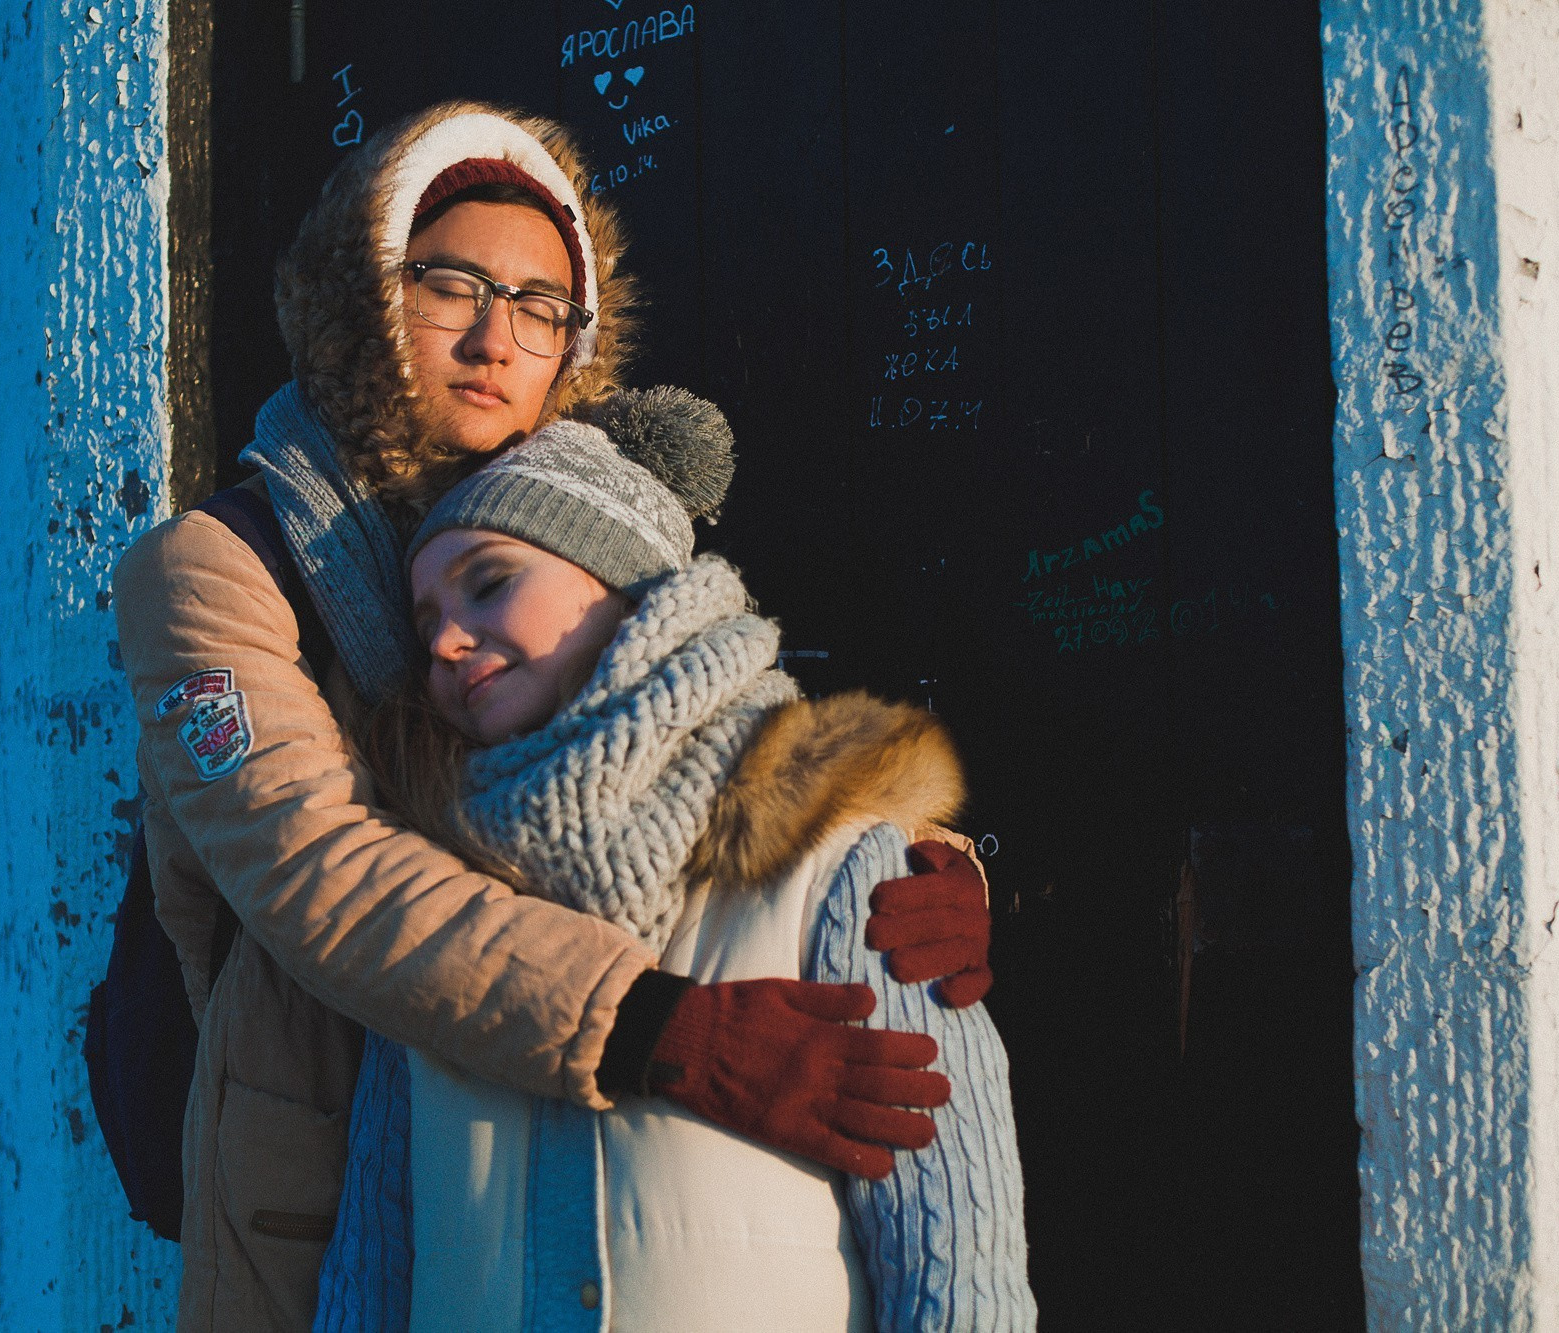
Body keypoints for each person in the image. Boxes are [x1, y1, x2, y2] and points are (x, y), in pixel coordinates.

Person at [112, 100, 993, 1331]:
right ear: (361, 296)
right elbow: (315, 867)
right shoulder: (216, 568)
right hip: (338, 1132)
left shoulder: (576, 514)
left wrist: (894, 866)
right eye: (449, 285)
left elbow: (693, 704)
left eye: (538, 306)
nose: (494, 338)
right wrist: (660, 1026)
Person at [314, 421, 1035, 1332]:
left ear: (624, 584)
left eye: (489, 584)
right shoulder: (431, 908)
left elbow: (958, 1251)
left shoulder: (841, 867)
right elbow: (373, 1261)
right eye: (425, 629)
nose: (449, 642)